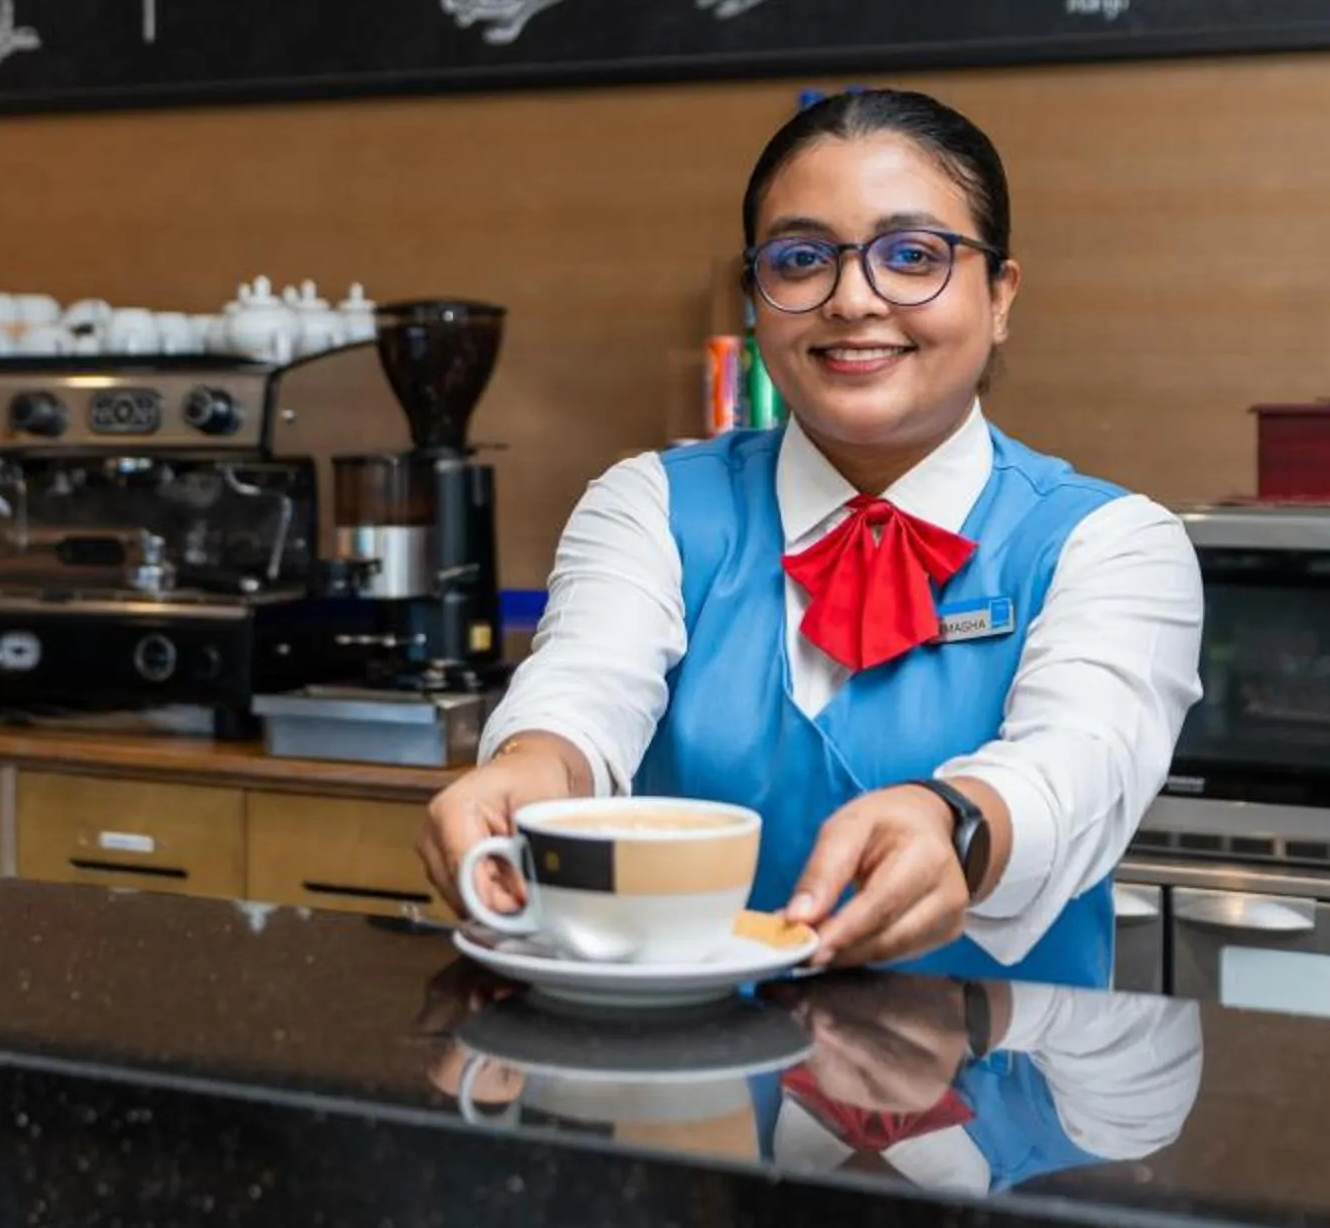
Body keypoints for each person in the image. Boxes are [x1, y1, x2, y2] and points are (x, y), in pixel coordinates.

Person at [418, 89, 1203, 982]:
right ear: (757, 297)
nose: (854, 298)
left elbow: (1078, 764)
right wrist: (526, 773)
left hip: (998, 1085)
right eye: (800, 260)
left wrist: (954, 820)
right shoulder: (650, 507)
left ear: (1000, 295)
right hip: (677, 1085)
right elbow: (580, 697)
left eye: (913, 256)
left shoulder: (1112, 543)